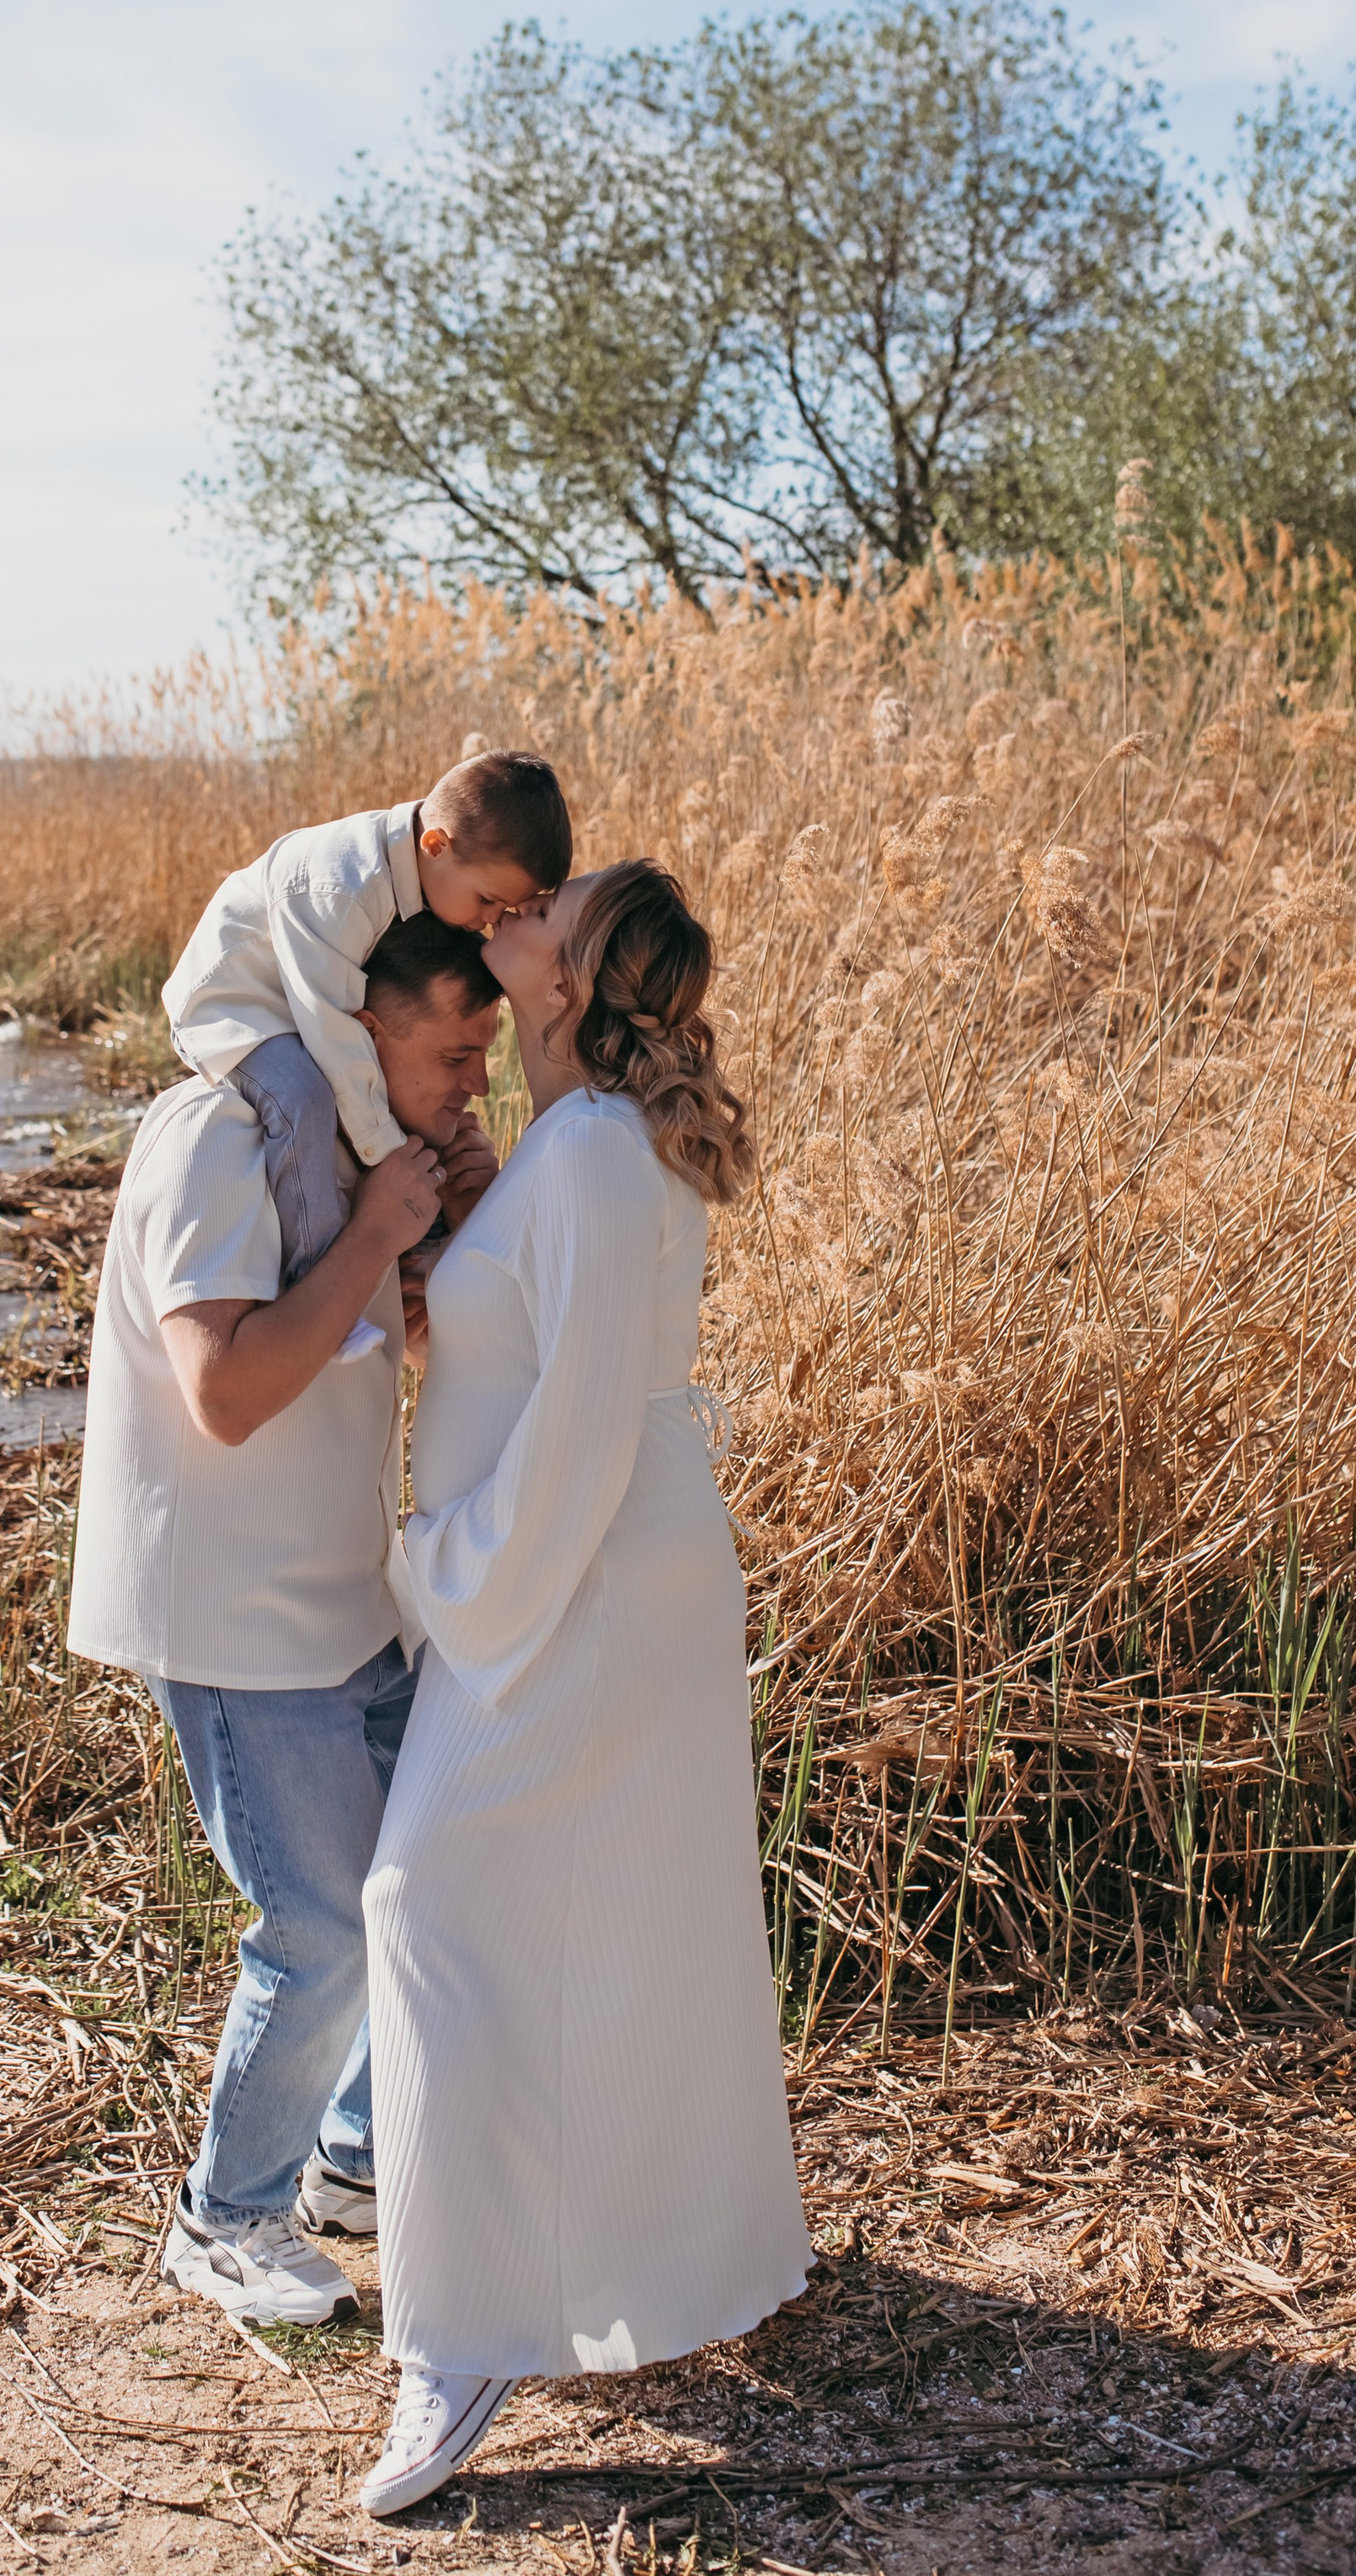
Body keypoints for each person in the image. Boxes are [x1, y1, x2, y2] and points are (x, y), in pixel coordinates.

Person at [357, 861, 810, 2518]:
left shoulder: (604, 1155)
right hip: (583, 1573)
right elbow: (537, 1361)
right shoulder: (569, 1145)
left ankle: (463, 2332)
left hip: (585, 1582)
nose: (516, 910)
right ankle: (645, 2256)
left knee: (424, 1900)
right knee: (612, 1918)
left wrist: (444, 1568)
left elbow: (585, 1432)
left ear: (568, 981)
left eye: (548, 911)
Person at [67, 914, 504, 2324]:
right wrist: (380, 1229)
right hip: (234, 1613)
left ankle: (355, 2163)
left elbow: (389, 1345)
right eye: (455, 1054)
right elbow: (229, 1390)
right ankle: (225, 2218)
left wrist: (452, 1232)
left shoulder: (362, 1152)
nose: (475, 1082)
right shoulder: (219, 1137)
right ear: (367, 1032)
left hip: (344, 1596)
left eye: (488, 1053)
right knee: (319, 1925)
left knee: (422, 1882)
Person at [161, 754, 569, 1354]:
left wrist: (462, 1215)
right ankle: (320, 1277)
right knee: (305, 1096)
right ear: (435, 845)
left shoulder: (417, 879)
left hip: (287, 1005)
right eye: (486, 901)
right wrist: (386, 1155)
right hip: (232, 1008)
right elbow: (332, 1031)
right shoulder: (341, 889)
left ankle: (411, 1249)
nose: (489, 923)